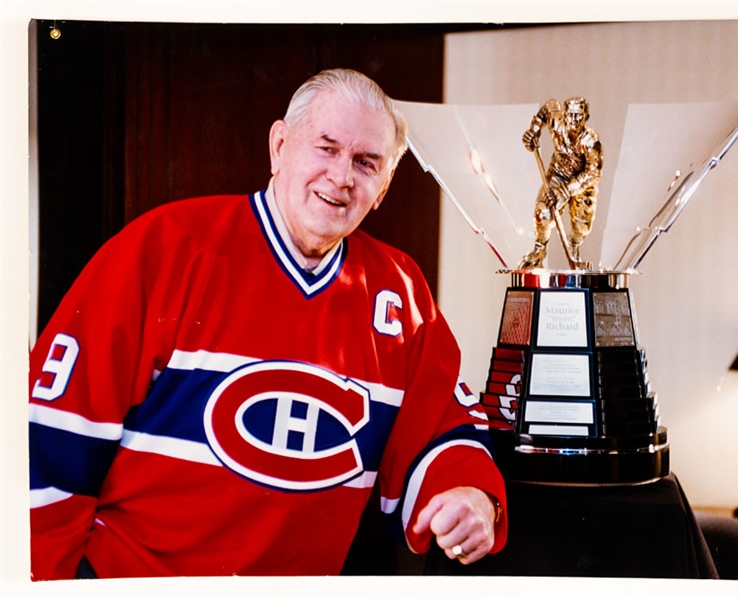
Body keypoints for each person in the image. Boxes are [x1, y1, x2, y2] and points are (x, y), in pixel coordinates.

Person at [28, 68, 507, 580]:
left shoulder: (400, 291)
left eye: (366, 163)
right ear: (279, 146)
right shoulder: (164, 249)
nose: (342, 176)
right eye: (326, 148)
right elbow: (48, 444)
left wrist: (467, 494)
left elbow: (443, 425)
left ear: (384, 187)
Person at [518, 97, 603, 269]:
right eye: (570, 115)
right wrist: (533, 131)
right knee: (542, 212)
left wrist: (565, 191)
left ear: (586, 117)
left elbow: (593, 172)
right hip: (558, 174)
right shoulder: (557, 122)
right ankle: (539, 249)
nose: (574, 120)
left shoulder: (591, 141)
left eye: (578, 116)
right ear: (564, 115)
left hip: (582, 183)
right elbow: (548, 108)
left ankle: (573, 246)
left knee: (582, 226)